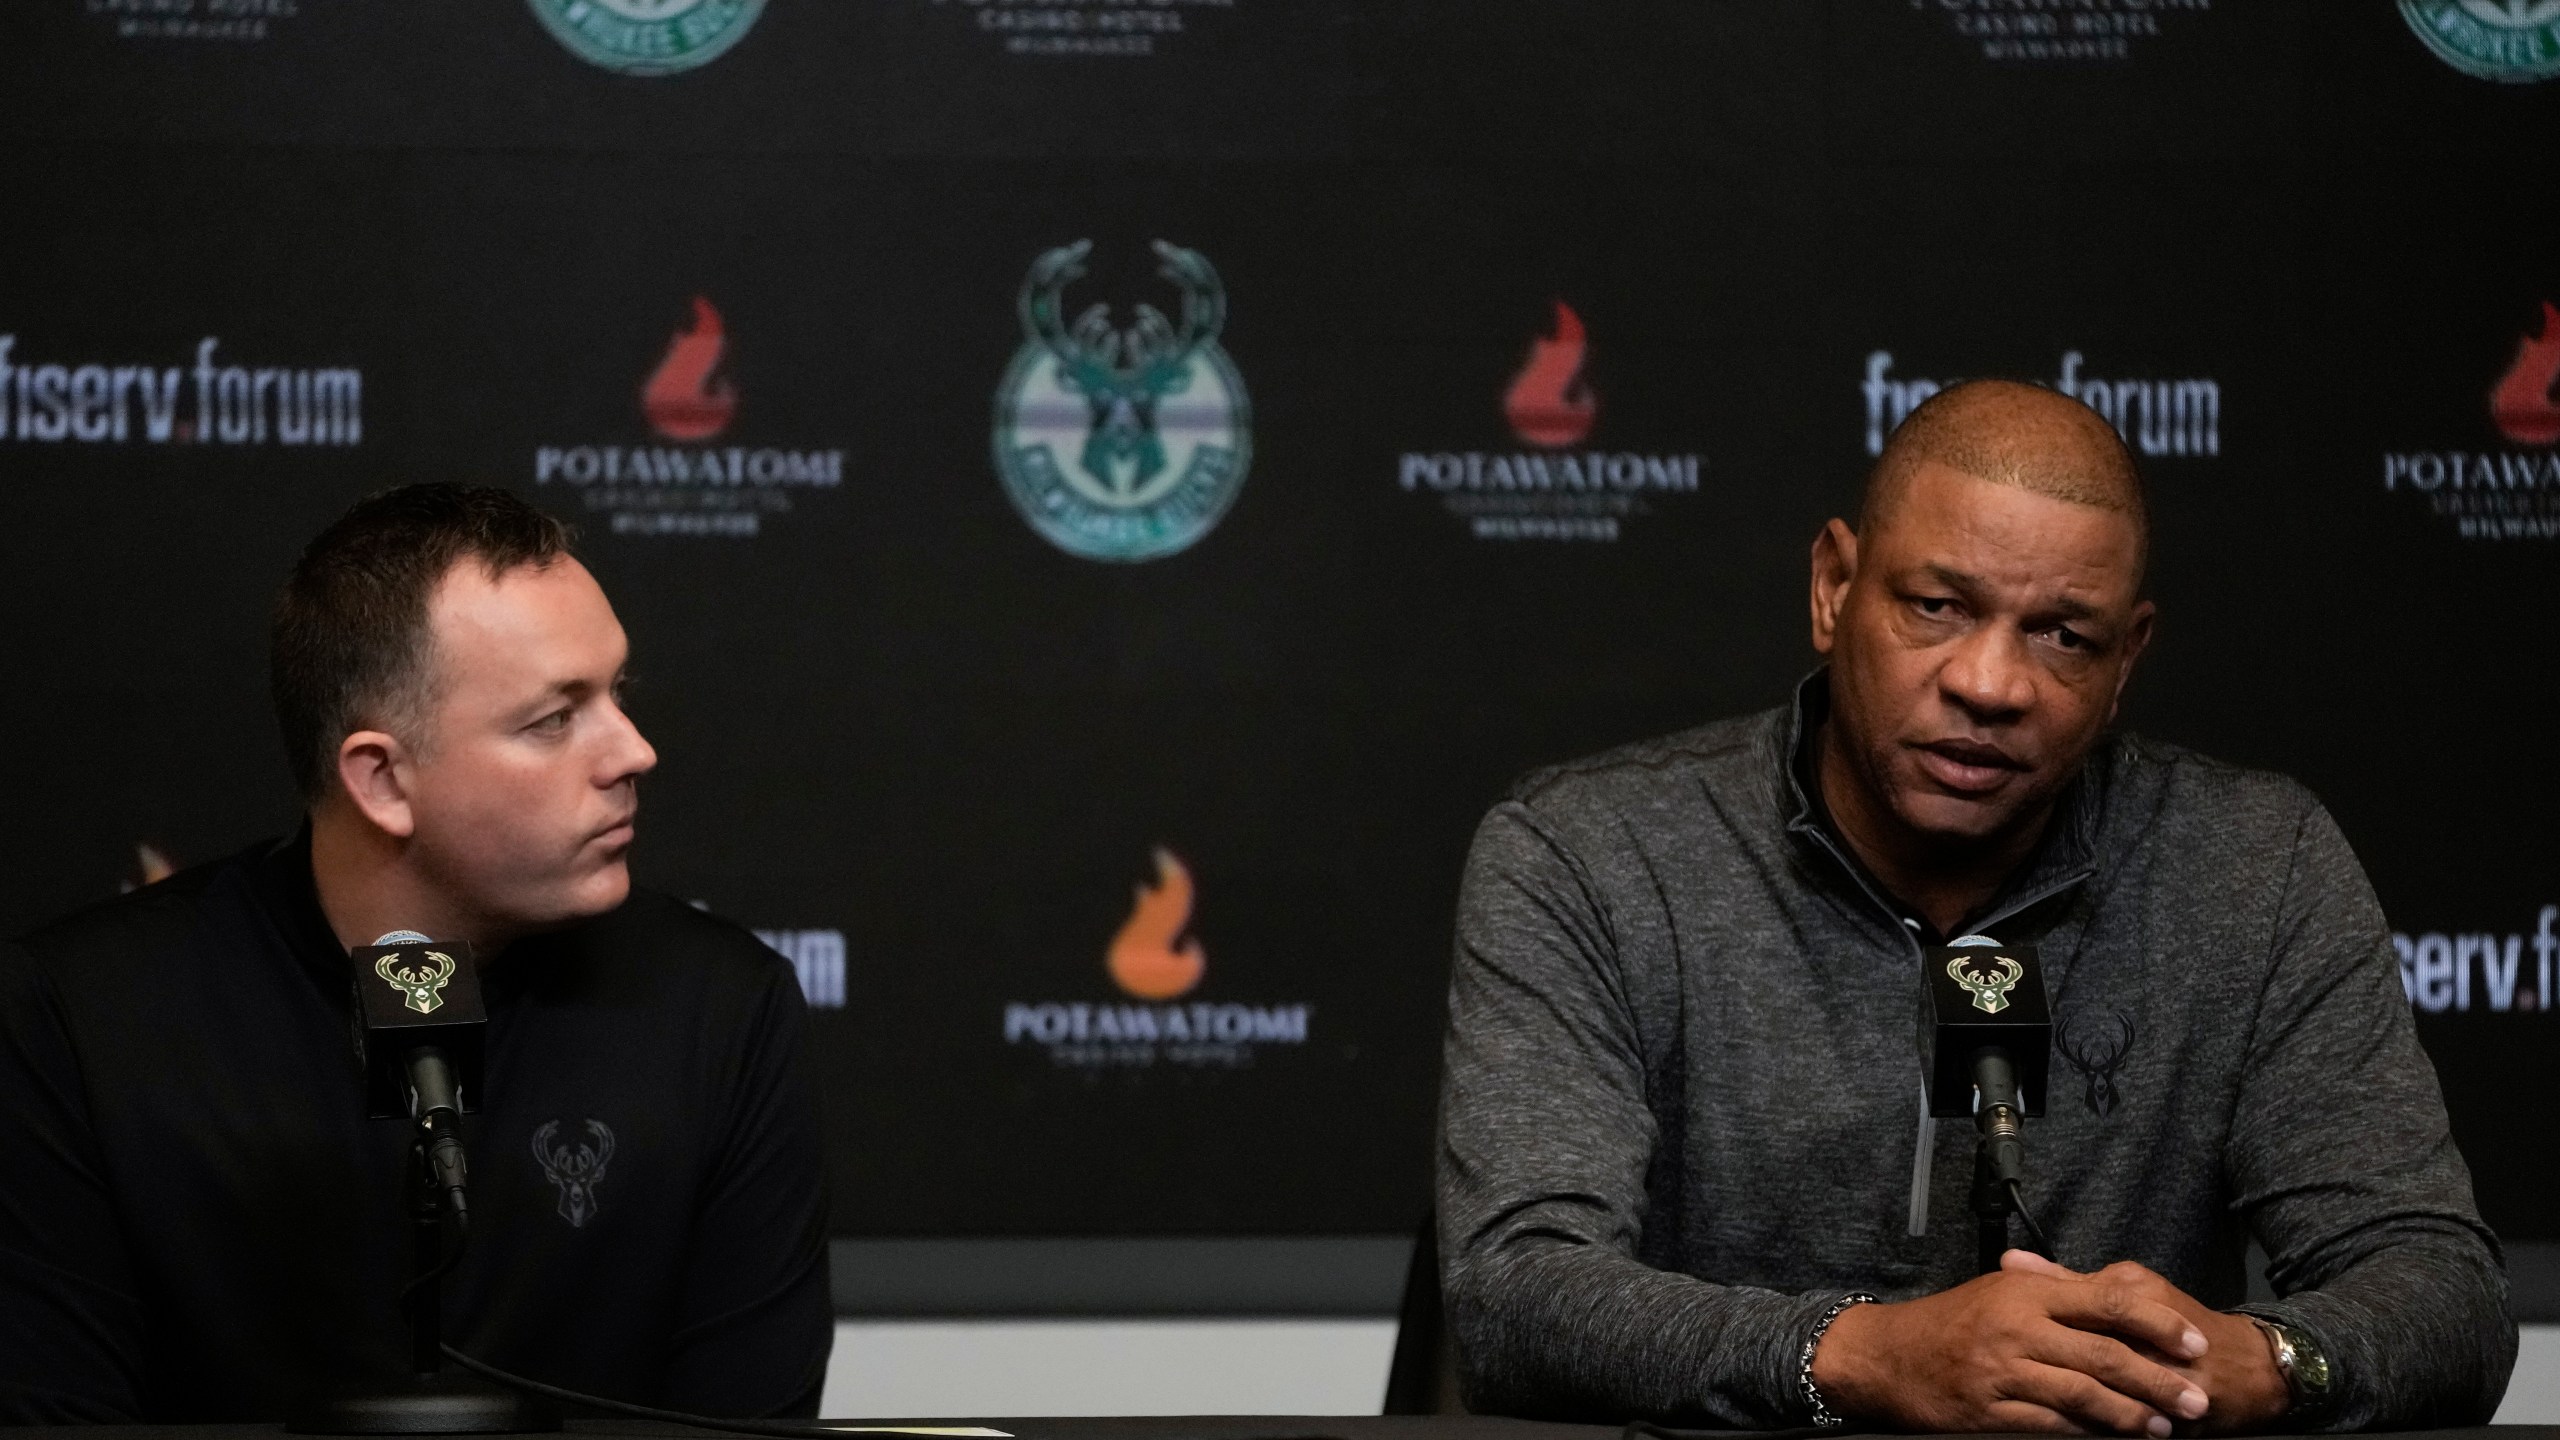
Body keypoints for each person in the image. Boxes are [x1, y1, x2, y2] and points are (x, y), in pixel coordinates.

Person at [1436, 381, 2513, 1434]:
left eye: (2063, 637)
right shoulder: (1590, 854)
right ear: (1832, 586)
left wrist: (2260, 1363)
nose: (1991, 684)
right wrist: (1866, 1357)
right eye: (1937, 607)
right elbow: (1515, 1294)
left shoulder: (2255, 867)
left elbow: (2442, 1292)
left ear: (2125, 660)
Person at [0, 484, 832, 1423]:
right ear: (383, 779)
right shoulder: (81, 1018)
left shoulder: (723, 1009)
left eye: (618, 694)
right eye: (555, 718)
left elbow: (750, 1417)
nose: (634, 750)